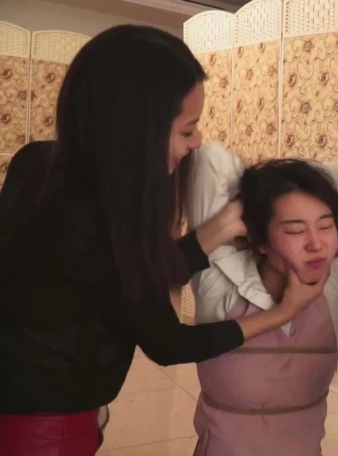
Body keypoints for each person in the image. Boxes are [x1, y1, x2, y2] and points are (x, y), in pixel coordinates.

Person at [0, 26, 308, 456]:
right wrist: (283, 313)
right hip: (44, 431)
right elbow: (168, 342)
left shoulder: (37, 163)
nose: (197, 142)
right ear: (136, 131)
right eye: (187, 130)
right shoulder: (103, 218)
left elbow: (125, 278)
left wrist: (219, 228)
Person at [186, 142, 338, 456]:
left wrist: (293, 180)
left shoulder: (329, 287)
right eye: (295, 231)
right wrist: (256, 197)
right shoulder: (223, 282)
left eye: (326, 226)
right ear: (260, 240)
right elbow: (209, 160)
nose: (316, 244)